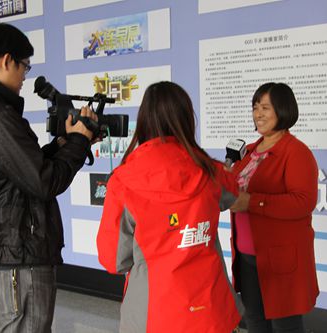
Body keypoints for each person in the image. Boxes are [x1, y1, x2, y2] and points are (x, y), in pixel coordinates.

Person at [0, 23, 96, 332]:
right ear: (6, 61)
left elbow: (20, 168)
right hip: (18, 255)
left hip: (6, 250)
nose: (24, 77)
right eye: (24, 67)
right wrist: (78, 143)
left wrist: (68, 142)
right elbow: (45, 182)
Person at [96, 81, 241, 332]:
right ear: (186, 119)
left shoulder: (124, 179)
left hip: (152, 314)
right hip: (210, 309)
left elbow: (114, 260)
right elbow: (232, 192)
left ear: (144, 121)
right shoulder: (209, 170)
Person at [229, 82, 319, 333]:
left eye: (265, 107)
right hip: (246, 256)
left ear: (283, 109)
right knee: (256, 321)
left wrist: (253, 201)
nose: (258, 113)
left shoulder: (296, 152)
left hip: (279, 258)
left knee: (284, 325)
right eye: (255, 107)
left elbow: (303, 202)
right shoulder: (249, 151)